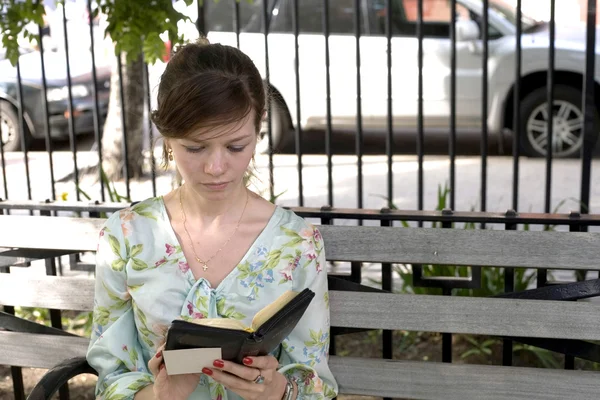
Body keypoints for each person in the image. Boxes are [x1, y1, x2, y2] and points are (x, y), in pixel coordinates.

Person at [86, 38, 338, 400]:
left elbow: (317, 384)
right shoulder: (127, 235)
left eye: (236, 146)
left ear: (258, 129)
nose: (216, 168)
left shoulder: (296, 244)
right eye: (195, 147)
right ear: (168, 138)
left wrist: (279, 391)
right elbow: (111, 377)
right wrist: (161, 396)